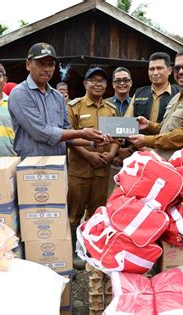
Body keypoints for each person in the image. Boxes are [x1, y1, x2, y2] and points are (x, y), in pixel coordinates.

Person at [8, 42, 105, 159]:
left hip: (58, 165)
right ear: (28, 64)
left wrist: (95, 140)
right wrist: (82, 133)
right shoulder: (20, 93)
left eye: (50, 64)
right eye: (40, 64)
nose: (46, 69)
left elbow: (67, 134)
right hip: (32, 167)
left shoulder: (58, 96)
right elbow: (41, 133)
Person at [67, 67, 119, 268]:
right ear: (85, 84)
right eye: (93, 80)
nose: (98, 84)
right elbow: (68, 138)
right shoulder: (75, 107)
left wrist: (112, 154)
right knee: (74, 214)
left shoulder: (111, 109)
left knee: (97, 213)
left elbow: (116, 137)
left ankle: (90, 250)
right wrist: (89, 155)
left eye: (102, 81)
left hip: (102, 171)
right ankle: (72, 252)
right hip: (79, 171)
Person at [124, 52, 180, 123]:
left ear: (169, 71)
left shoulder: (179, 93)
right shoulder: (139, 92)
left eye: (159, 68)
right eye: (152, 69)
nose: (155, 73)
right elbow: (127, 121)